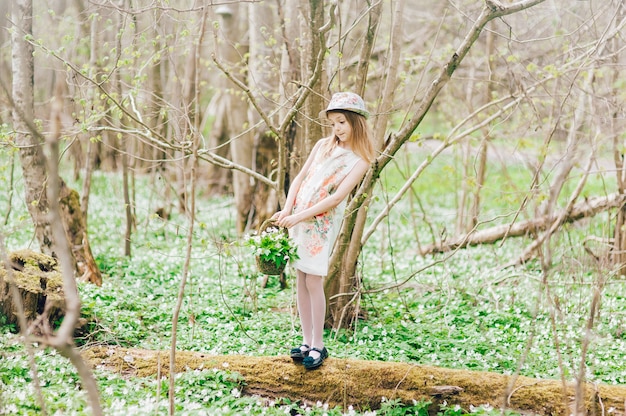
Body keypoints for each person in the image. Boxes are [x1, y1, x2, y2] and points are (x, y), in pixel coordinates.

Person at [273, 92, 375, 369]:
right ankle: (306, 341)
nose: (337, 128)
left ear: (356, 122)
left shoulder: (360, 159)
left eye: (342, 122)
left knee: (314, 281)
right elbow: (300, 178)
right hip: (298, 219)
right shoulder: (322, 146)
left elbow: (335, 198)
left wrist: (300, 216)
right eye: (333, 123)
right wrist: (287, 209)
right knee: (300, 278)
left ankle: (318, 344)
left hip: (320, 224)